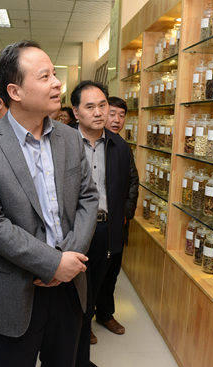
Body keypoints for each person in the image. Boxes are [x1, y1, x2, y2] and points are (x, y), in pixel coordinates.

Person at [0, 40, 99, 367]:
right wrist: (51, 262)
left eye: (55, 74)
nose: (57, 83)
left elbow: (88, 198)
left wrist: (66, 261)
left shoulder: (70, 139)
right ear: (15, 91)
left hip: (69, 285)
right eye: (45, 76)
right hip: (15, 288)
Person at [70, 82, 134, 367]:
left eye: (103, 105)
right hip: (72, 235)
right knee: (72, 305)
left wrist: (122, 221)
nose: (99, 112)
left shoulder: (119, 146)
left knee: (90, 300)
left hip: (105, 232)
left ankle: (78, 364)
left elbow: (127, 184)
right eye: (90, 106)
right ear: (75, 112)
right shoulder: (62, 142)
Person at [95, 96, 139, 337]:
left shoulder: (123, 147)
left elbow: (133, 182)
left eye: (122, 115)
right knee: (87, 274)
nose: (117, 120)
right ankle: (82, 322)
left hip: (115, 224)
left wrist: (125, 213)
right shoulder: (91, 143)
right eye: (112, 114)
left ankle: (105, 314)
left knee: (111, 273)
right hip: (91, 223)